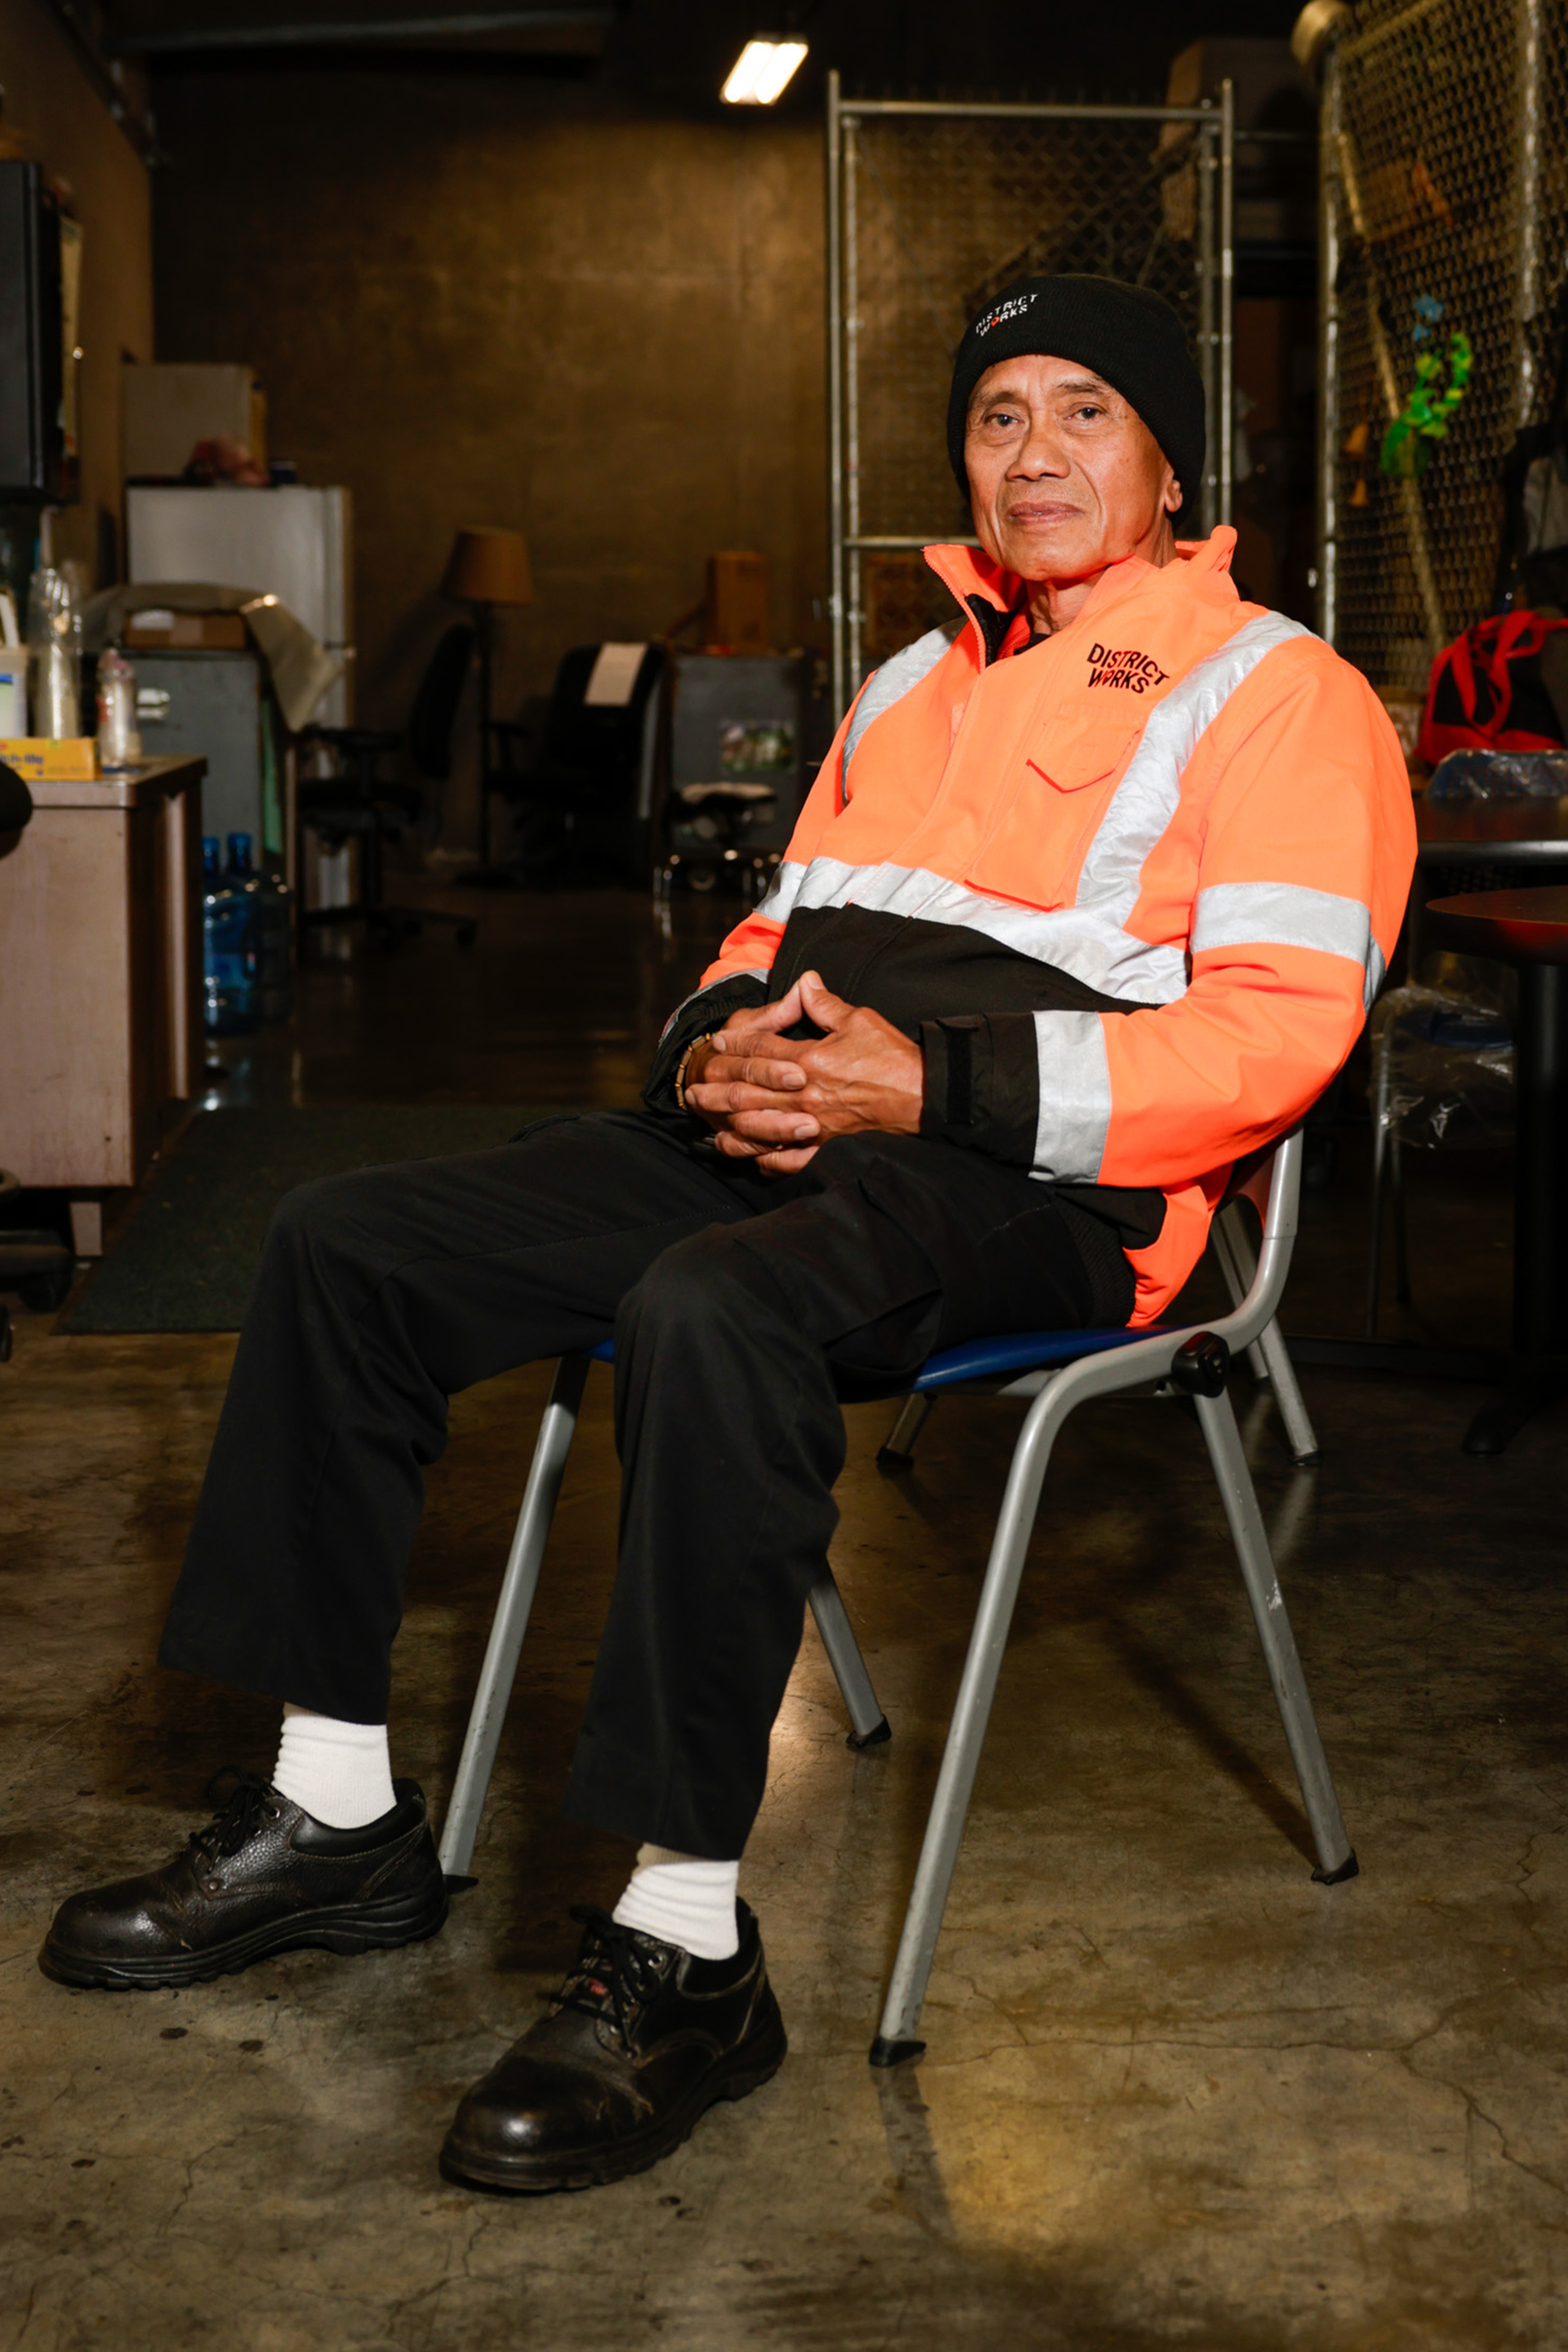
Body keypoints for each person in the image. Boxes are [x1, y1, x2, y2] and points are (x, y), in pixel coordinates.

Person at [41, 274, 1415, 2195]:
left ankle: (685, 1948)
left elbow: (1273, 1038)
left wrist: (918, 1088)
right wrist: (717, 1063)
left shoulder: (1285, 693)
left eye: (1086, 412)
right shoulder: (906, 683)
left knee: (711, 1310)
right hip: (802, 1129)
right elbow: (766, 941)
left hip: (1051, 1192)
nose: (1033, 454)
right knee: (349, 1238)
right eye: (999, 413)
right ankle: (330, 1811)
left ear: (1172, 455)